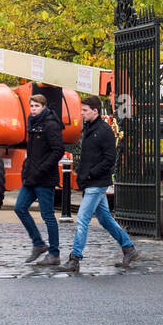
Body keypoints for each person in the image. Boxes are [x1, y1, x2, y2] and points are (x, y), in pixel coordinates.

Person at [57, 95, 141, 272]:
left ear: (95, 111)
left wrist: (90, 174)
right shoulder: (88, 129)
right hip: (91, 181)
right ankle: (129, 248)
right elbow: (88, 157)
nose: (82, 113)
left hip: (97, 182)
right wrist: (82, 175)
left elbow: (110, 159)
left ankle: (75, 258)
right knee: (105, 219)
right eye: (82, 110)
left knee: (82, 219)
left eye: (85, 110)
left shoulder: (104, 131)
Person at [16, 94, 65, 265]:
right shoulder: (32, 122)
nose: (33, 109)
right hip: (31, 176)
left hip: (45, 178)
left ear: (44, 106)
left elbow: (58, 150)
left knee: (48, 216)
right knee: (19, 207)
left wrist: (42, 168)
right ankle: (38, 243)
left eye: (37, 106)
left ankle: (54, 253)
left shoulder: (51, 124)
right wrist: (26, 168)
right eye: (32, 106)